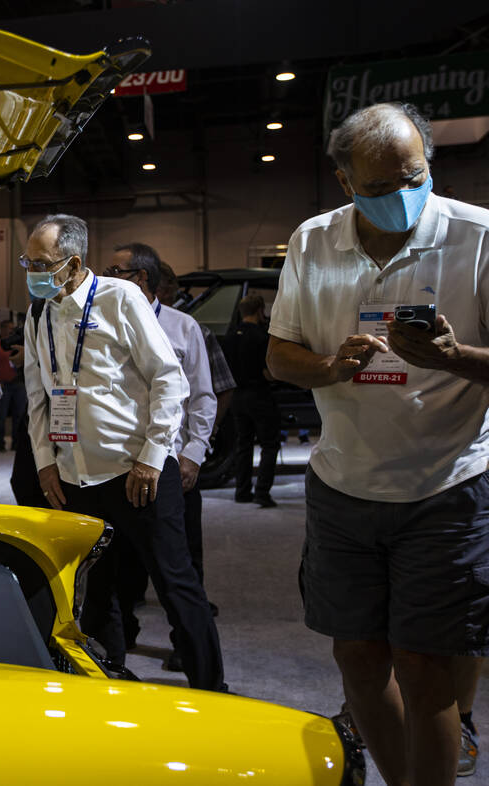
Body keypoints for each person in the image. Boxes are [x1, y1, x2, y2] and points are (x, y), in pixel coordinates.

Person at [267, 102, 489, 785]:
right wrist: (332, 367)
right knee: (359, 662)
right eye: (378, 188)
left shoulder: (478, 236)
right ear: (344, 183)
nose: (401, 197)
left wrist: (452, 356)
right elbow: (280, 356)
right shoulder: (313, 243)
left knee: (426, 668)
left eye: (413, 177)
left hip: (444, 483)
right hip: (343, 487)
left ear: (428, 163)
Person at [21, 214, 224, 691]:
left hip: (137, 474)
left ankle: (212, 689)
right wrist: (45, 463)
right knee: (97, 594)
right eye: (26, 261)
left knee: (176, 586)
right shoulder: (38, 312)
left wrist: (153, 457)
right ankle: (110, 684)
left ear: (73, 263)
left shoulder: (122, 298)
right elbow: (37, 397)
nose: (31, 271)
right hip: (75, 475)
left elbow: (168, 379)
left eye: (41, 263)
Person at [107, 243, 220, 670]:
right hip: (116, 465)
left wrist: (192, 455)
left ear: (142, 279)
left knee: (179, 567)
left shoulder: (184, 327)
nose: (107, 277)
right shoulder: (102, 322)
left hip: (171, 466)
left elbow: (203, 399)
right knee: (120, 565)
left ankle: (189, 652)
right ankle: (123, 641)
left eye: (117, 270)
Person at [230, 294, 280, 507]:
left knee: (243, 444)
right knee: (269, 445)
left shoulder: (231, 335)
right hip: (259, 395)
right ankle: (262, 493)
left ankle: (242, 491)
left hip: (236, 397)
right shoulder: (261, 337)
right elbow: (267, 372)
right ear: (260, 310)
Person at [0, 318, 25, 451]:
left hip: (19, 384)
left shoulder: (20, 345)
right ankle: (0, 443)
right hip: (3, 385)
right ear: (2, 329)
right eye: (9, 328)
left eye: (13, 328)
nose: (11, 330)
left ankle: (16, 443)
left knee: (19, 416)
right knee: (1, 416)